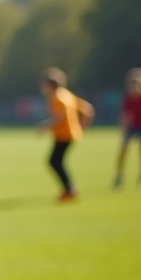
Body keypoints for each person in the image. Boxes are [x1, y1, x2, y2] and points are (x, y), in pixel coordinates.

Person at [37, 68, 95, 202]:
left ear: (50, 85)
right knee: (56, 161)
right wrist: (82, 127)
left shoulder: (58, 97)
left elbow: (60, 116)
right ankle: (69, 188)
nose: (42, 88)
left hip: (65, 135)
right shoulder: (66, 94)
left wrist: (45, 126)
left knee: (54, 161)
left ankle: (69, 189)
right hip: (69, 134)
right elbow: (88, 110)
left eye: (44, 85)